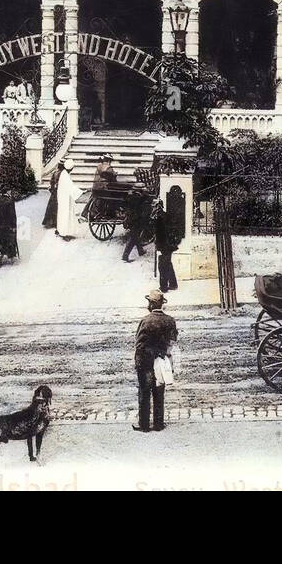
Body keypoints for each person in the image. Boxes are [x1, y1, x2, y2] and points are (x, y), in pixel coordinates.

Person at [133, 288, 178, 432]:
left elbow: (139, 345)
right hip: (161, 360)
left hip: (146, 361)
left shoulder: (145, 321)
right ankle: (158, 423)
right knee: (159, 392)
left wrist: (138, 363)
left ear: (152, 304)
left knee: (144, 392)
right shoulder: (170, 320)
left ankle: (144, 424)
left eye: (148, 302)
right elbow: (172, 341)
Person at [153, 199, 180, 293]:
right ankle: (173, 284)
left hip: (165, 245)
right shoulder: (164, 215)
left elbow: (160, 234)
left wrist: (159, 247)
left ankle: (163, 287)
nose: (153, 208)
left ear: (158, 207)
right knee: (168, 264)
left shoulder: (159, 217)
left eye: (155, 206)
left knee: (162, 265)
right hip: (169, 245)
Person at [122, 182, 152, 263]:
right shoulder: (139, 197)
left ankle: (140, 250)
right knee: (133, 237)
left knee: (136, 235)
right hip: (136, 219)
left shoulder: (130, 196)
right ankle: (125, 255)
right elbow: (148, 200)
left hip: (130, 218)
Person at [56, 158, 82, 240]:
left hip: (65, 197)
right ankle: (64, 233)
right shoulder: (65, 176)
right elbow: (71, 187)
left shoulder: (64, 174)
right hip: (65, 198)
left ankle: (65, 231)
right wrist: (81, 192)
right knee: (65, 215)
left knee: (65, 214)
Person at [0, 189, 19, 263]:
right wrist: (14, 226)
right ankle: (11, 255)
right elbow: (12, 215)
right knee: (10, 239)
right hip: (7, 225)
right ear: (8, 191)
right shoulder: (10, 201)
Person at [42, 162, 63, 229]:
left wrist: (52, 189)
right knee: (57, 207)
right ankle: (55, 222)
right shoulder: (62, 174)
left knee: (51, 207)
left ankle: (50, 222)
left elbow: (51, 182)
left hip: (54, 192)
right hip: (58, 192)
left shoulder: (55, 173)